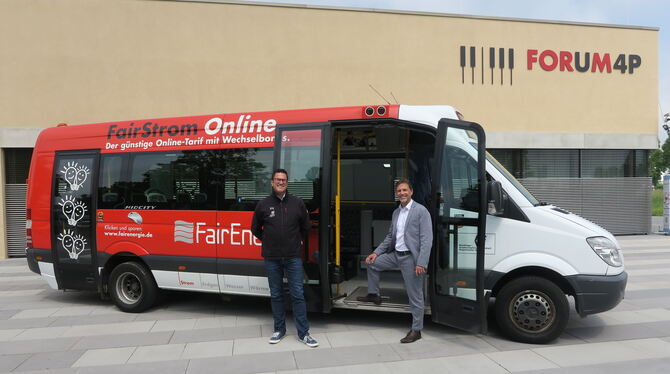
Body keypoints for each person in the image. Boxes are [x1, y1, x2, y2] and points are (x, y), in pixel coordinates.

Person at [357, 179, 433, 343]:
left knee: (415, 295)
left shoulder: (421, 211)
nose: (402, 193)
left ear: (411, 192)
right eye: (399, 191)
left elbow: (427, 240)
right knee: (371, 263)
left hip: (411, 259)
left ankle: (416, 330)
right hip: (395, 255)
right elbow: (390, 236)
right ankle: (373, 294)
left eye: (405, 190)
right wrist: (376, 253)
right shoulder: (396, 212)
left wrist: (421, 262)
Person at [251, 168, 319, 348]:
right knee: (276, 295)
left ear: (287, 183)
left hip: (292, 257)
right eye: (277, 180)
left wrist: (296, 243)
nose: (281, 182)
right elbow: (255, 229)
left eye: (284, 180)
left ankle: (304, 333)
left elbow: (305, 227)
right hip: (271, 257)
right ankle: (279, 330)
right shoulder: (263, 204)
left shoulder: (297, 203)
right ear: (272, 182)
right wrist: (269, 241)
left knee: (297, 294)